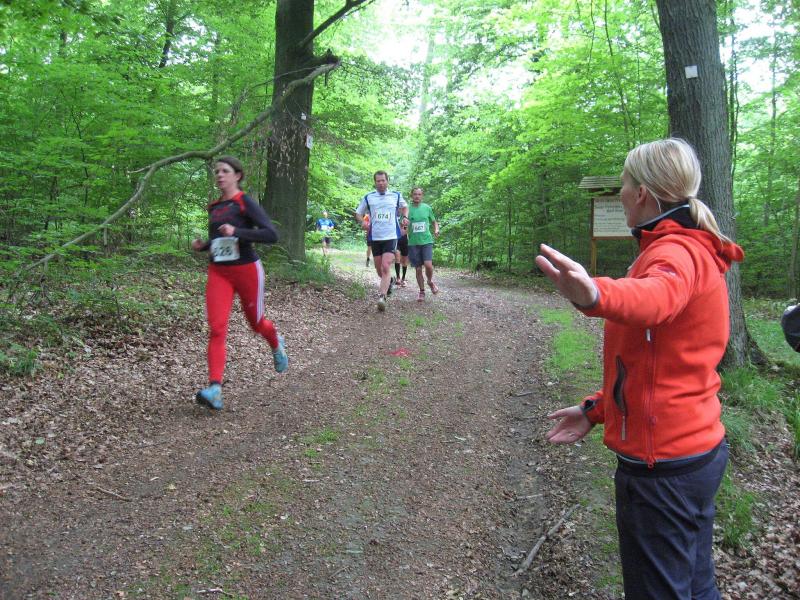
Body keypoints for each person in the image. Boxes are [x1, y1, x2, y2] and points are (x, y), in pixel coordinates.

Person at [537, 138, 744, 600]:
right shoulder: (683, 245)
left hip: (664, 468)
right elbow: (652, 366)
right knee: (695, 585)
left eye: (624, 184)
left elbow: (656, 298)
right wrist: (596, 410)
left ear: (642, 193)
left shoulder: (675, 252)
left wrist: (595, 294)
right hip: (692, 451)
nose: (621, 194)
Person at [191, 156, 288, 411]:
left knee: (256, 323)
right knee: (217, 328)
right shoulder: (214, 207)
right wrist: (204, 246)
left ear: (237, 175)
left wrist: (238, 232)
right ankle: (215, 389)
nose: (219, 175)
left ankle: (275, 342)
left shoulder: (244, 202)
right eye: (217, 171)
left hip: (246, 270)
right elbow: (220, 241)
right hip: (219, 272)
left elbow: (271, 234)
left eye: (225, 171)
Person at [355, 170, 408, 311]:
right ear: (375, 182)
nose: (381, 183)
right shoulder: (369, 197)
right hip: (375, 237)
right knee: (379, 270)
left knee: (385, 266)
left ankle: (382, 297)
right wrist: (363, 222)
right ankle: (390, 281)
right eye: (378, 181)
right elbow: (358, 213)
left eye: (383, 180)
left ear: (387, 181)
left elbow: (405, 207)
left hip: (391, 236)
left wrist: (405, 217)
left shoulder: (396, 195)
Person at [406, 187, 440, 302]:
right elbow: (403, 225)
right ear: (411, 195)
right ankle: (421, 291)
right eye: (415, 194)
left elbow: (434, 222)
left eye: (419, 194)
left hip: (426, 241)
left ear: (422, 196)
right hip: (413, 243)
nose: (417, 196)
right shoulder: (407, 209)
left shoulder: (427, 208)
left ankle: (430, 281)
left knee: (428, 265)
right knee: (418, 269)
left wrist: (436, 229)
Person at [394, 221, 409, 286]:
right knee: (397, 258)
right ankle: (398, 278)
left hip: (405, 242)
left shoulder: (408, 219)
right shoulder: (396, 218)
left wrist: (406, 226)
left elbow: (410, 229)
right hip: (397, 241)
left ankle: (403, 278)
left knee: (405, 261)